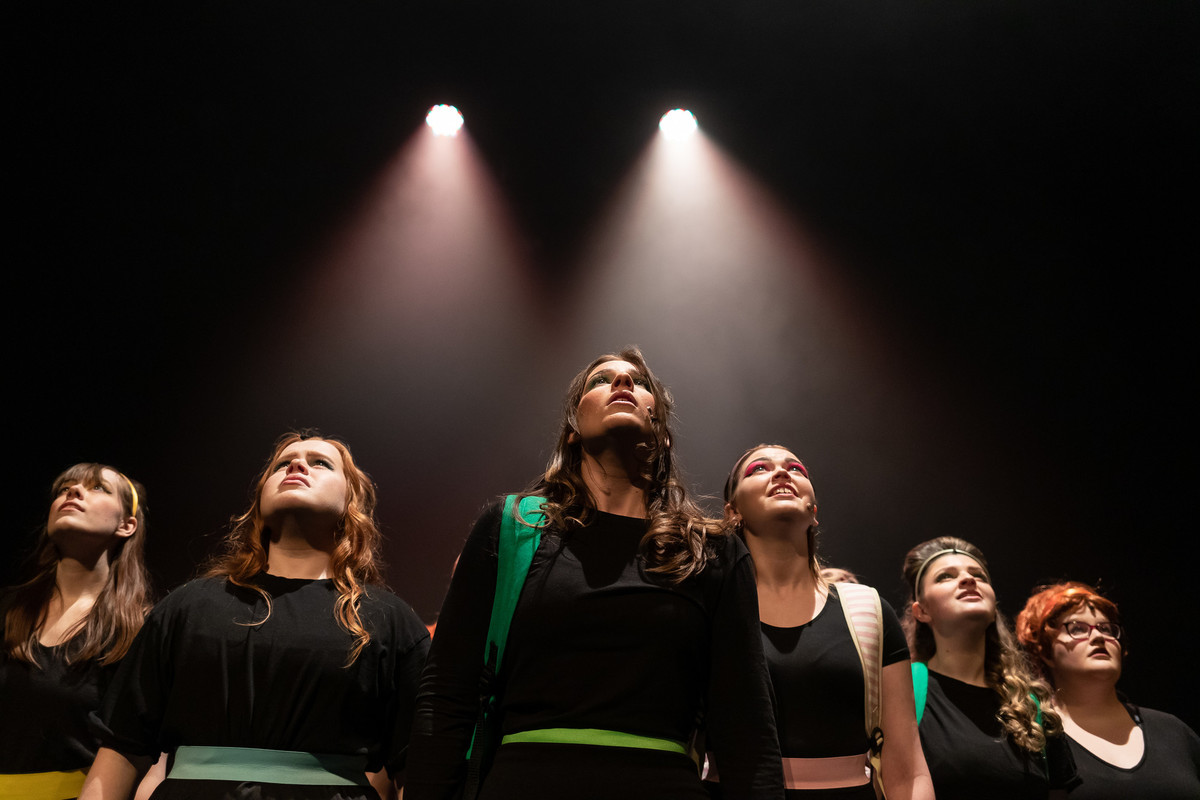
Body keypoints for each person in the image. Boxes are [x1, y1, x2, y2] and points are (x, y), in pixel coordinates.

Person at [406, 347, 784, 800]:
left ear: (662, 432)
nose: (622, 383)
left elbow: (745, 723)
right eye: (601, 379)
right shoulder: (511, 526)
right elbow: (447, 692)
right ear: (571, 431)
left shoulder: (714, 551)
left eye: (639, 382)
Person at [81, 432, 430, 800]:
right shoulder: (186, 607)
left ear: (350, 503)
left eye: (320, 463)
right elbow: (122, 749)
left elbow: (417, 765)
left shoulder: (388, 620)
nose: (297, 465)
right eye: (283, 463)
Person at [713, 444, 932, 799]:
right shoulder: (709, 606)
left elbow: (907, 769)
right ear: (732, 511)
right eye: (759, 469)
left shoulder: (869, 610)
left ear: (813, 511)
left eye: (796, 468)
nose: (783, 473)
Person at [1, 463, 151, 800]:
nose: (73, 492)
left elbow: (140, 749)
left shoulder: (138, 631)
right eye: (64, 488)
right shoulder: (7, 610)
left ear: (127, 525)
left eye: (98, 487)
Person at [901, 537, 1076, 799]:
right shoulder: (903, 691)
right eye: (945, 577)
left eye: (979, 576)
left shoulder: (1032, 708)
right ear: (921, 611)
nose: (968, 580)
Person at [1016, 582, 1200, 798]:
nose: (1098, 637)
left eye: (1106, 628)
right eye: (1077, 628)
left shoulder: (1173, 732)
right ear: (1045, 652)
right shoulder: (1035, 739)